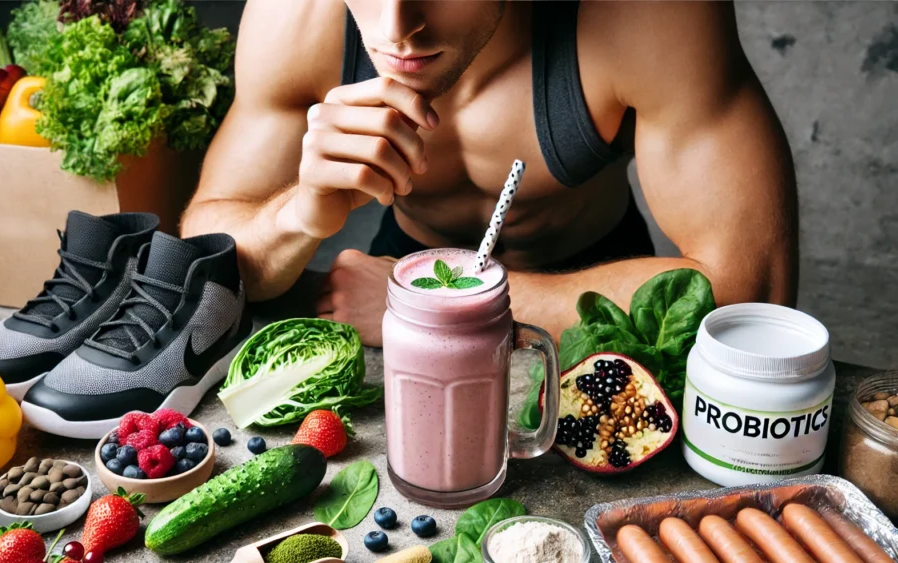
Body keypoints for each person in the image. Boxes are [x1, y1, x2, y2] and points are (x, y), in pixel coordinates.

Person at [181, 0, 798, 347]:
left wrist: (431, 301)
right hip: (396, 272)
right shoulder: (298, 19)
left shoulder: (643, 15)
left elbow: (753, 290)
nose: (396, 28)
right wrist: (295, 216)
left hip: (594, 282)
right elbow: (201, 253)